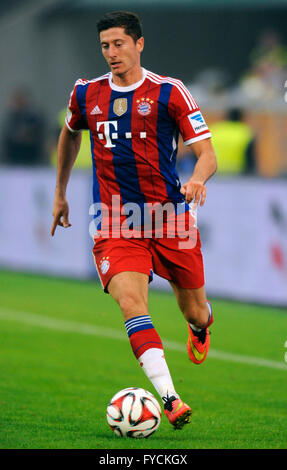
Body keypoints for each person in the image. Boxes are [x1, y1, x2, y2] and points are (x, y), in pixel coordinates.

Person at [51, 11, 217, 430]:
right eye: (105, 46)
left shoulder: (169, 92)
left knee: (195, 311)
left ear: (139, 44)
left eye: (119, 44)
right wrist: (60, 193)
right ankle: (171, 399)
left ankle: (200, 326)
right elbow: (71, 133)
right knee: (131, 303)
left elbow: (207, 152)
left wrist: (197, 178)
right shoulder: (86, 93)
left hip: (169, 219)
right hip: (115, 222)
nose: (111, 53)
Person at [2, 88, 46, 166]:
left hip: (32, 160)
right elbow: (7, 137)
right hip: (13, 160)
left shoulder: (34, 117)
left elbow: (39, 136)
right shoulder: (11, 117)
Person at [209, 108, 256, 175]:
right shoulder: (245, 132)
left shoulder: (214, 129)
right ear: (242, 118)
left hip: (214, 173)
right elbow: (250, 158)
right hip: (237, 174)